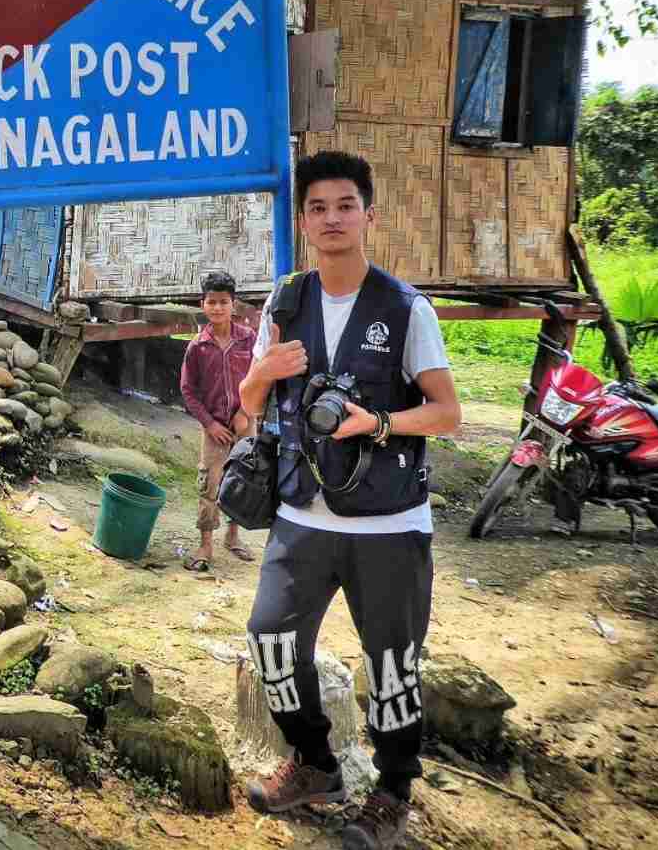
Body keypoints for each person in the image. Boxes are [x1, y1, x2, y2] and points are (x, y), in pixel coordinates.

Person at [239, 151, 461, 850]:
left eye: (345, 206)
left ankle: (392, 793)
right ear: (304, 222)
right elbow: (248, 407)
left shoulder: (404, 308)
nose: (332, 219)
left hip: (389, 522)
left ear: (370, 216)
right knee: (271, 640)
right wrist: (263, 372)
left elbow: (448, 412)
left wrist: (379, 422)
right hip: (301, 515)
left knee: (392, 665)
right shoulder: (285, 303)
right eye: (318, 208)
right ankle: (314, 763)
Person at [179, 270, 257, 572]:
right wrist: (209, 424)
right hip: (214, 429)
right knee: (209, 483)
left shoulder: (249, 340)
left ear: (233, 304)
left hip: (245, 423)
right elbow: (188, 390)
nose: (218, 308)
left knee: (243, 478)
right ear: (203, 304)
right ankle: (206, 544)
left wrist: (245, 412)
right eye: (211, 302)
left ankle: (233, 536)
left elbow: (260, 377)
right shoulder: (197, 346)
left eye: (224, 302)